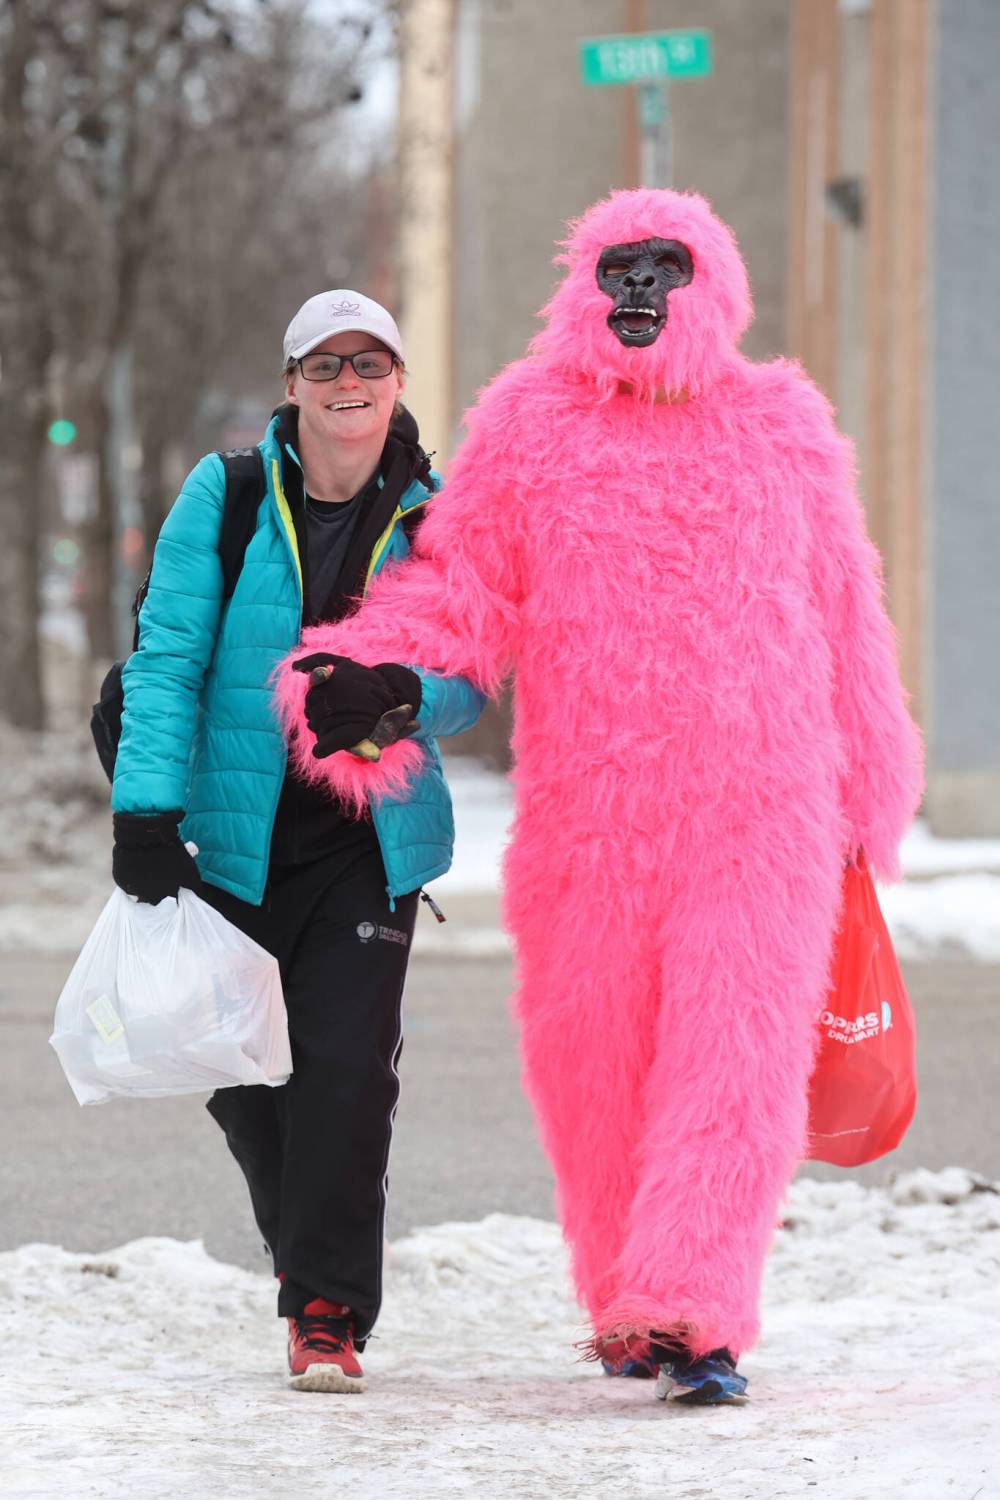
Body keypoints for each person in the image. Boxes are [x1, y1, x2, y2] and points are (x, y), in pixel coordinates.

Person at [272, 192, 923, 1405]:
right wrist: (371, 678)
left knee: (732, 1065)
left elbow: (846, 610)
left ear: (710, 285)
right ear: (580, 284)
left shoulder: (781, 426)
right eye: (617, 270)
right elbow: (462, 591)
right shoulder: (529, 424)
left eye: (662, 269)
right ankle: (628, 1299)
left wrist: (871, 784)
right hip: (591, 817)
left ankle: (696, 1311)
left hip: (764, 806)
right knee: (594, 1068)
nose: (636, 293)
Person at [110, 291, 483, 1392]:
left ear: (398, 381)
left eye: (369, 362)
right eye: (325, 365)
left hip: (369, 839)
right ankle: (309, 1252)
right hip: (234, 835)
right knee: (243, 1078)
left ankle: (326, 1309)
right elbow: (168, 655)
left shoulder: (438, 519)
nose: (347, 382)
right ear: (293, 386)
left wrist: (402, 693)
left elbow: (471, 678)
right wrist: (143, 814)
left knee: (347, 1078)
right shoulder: (224, 494)